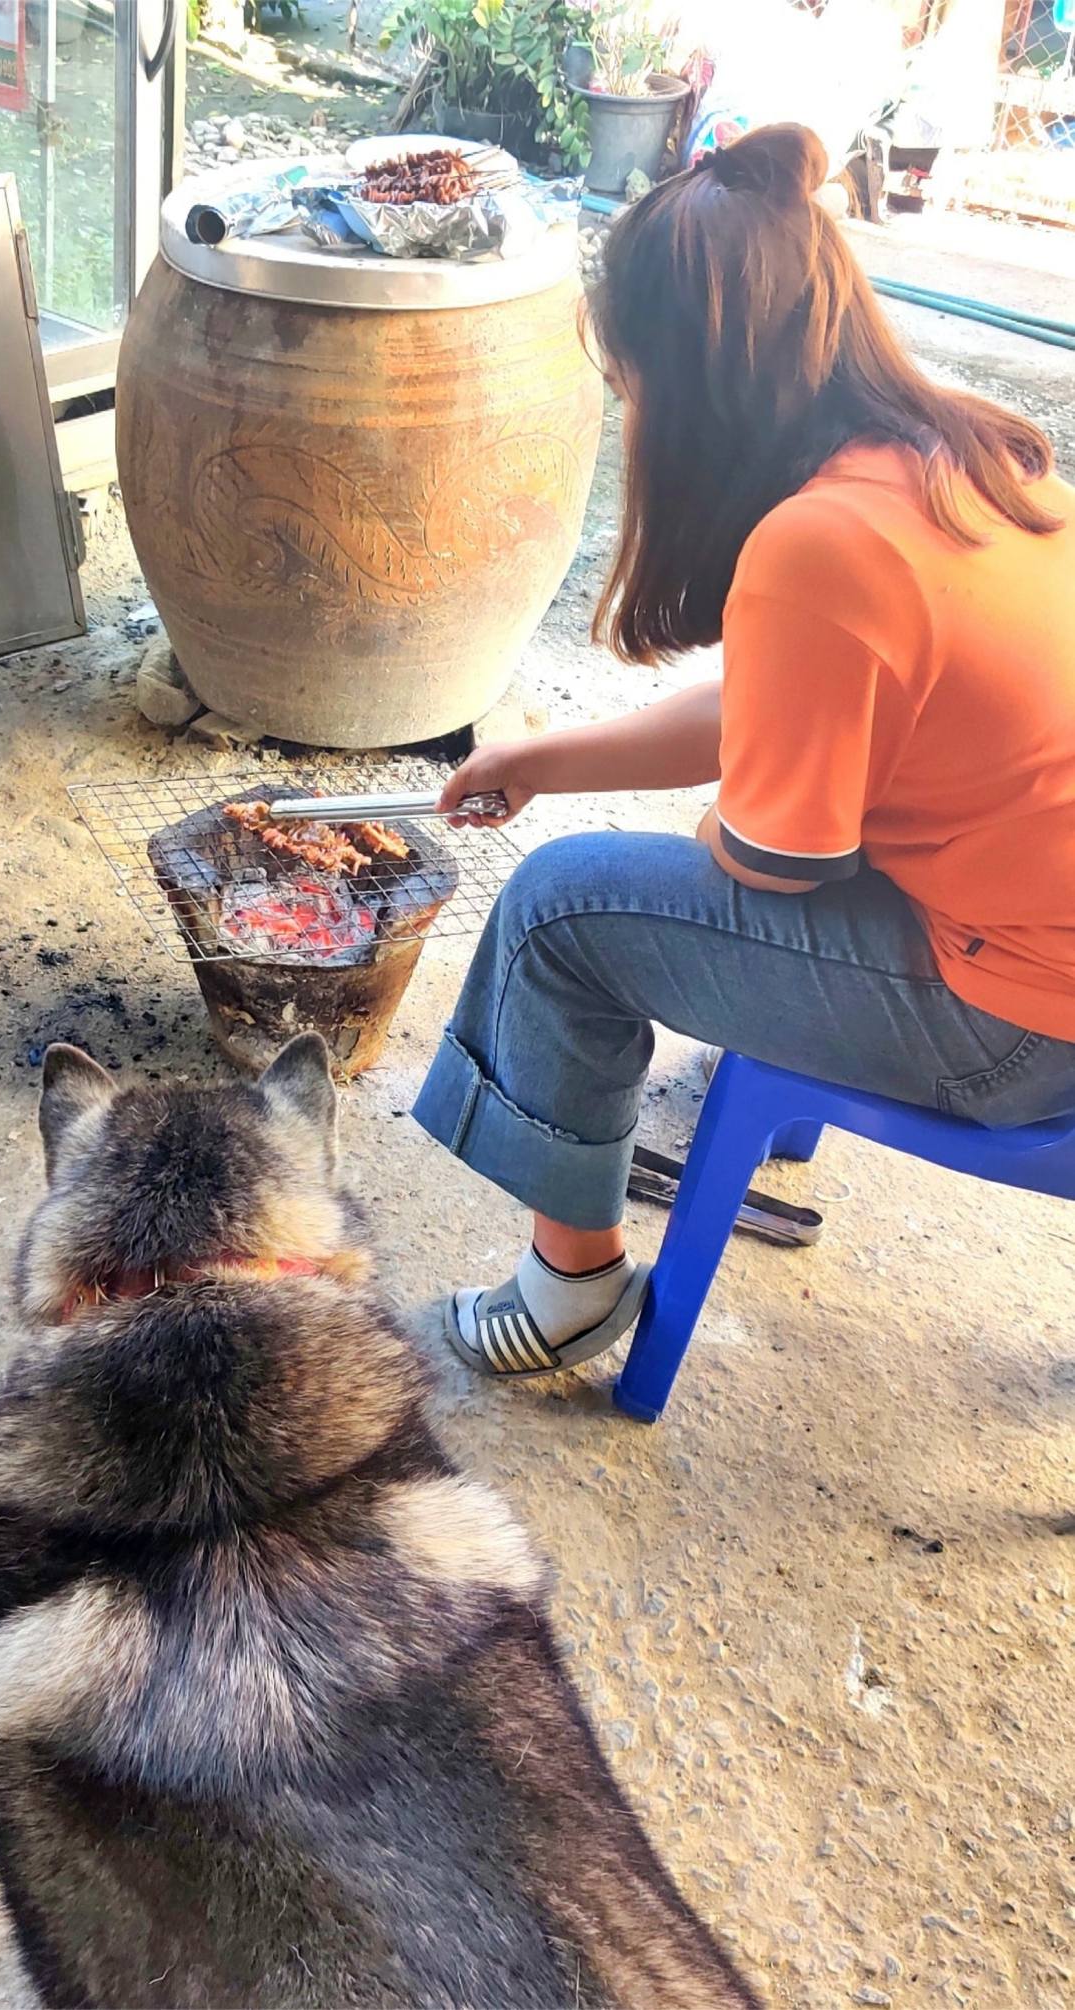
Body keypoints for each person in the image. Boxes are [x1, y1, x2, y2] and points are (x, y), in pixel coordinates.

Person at [412, 123, 1075, 1383]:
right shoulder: (962, 454)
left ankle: (571, 1282)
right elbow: (788, 709)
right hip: (1049, 952)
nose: (629, 418)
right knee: (622, 856)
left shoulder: (820, 547)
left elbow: (773, 861)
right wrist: (549, 762)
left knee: (562, 909)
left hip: (1023, 1032)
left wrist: (729, 825)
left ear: (690, 376)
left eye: (630, 386)